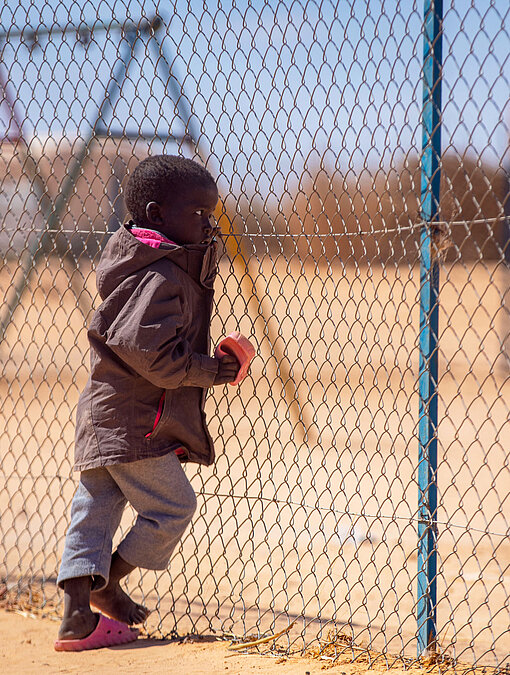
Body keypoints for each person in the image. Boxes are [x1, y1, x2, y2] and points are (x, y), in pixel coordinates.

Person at [54, 154, 240, 651]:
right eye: (199, 213)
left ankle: (76, 615)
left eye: (212, 213)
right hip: (136, 421)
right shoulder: (161, 276)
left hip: (102, 413)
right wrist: (208, 369)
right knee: (174, 507)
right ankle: (109, 583)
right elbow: (148, 352)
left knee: (95, 507)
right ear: (156, 215)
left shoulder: (134, 261)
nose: (208, 223)